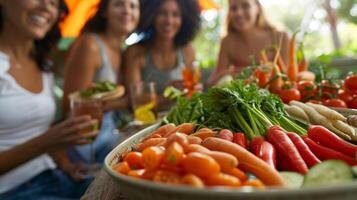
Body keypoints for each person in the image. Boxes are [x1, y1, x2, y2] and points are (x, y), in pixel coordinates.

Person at [0, 0, 98, 199]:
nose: (47, 7)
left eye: (54, 2)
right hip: (15, 190)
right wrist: (45, 143)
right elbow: (43, 140)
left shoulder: (41, 62)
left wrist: (66, 164)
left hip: (55, 176)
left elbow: (38, 127)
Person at [62, 0, 140, 163]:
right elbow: (71, 106)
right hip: (84, 142)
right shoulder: (90, 44)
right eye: (119, 4)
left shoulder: (123, 51)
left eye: (133, 6)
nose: (127, 11)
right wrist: (125, 102)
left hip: (109, 134)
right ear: (105, 12)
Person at [123, 0, 201, 107]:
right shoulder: (135, 52)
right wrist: (168, 94)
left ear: (184, 19)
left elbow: (191, 94)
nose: (169, 21)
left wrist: (195, 91)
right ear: (151, 15)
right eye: (162, 13)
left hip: (181, 120)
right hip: (149, 122)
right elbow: (136, 102)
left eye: (175, 14)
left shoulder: (187, 50)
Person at [208, 0, 290, 87]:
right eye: (233, 8)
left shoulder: (280, 37)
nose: (239, 13)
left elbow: (288, 78)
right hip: (242, 98)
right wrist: (227, 73)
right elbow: (212, 83)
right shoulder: (227, 41)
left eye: (246, 6)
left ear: (257, 8)